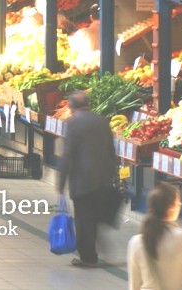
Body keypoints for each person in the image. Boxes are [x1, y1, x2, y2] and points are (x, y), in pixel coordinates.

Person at [56, 90, 117, 268]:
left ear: (72, 107)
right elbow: (111, 152)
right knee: (93, 215)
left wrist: (61, 182)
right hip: (102, 178)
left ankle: (88, 257)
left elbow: (68, 155)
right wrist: (112, 175)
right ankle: (92, 251)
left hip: (82, 180)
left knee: (83, 219)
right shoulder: (102, 121)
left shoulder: (73, 124)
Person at [127, 183, 182, 290]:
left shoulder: (136, 242)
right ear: (170, 207)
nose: (179, 207)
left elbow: (134, 286)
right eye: (179, 204)